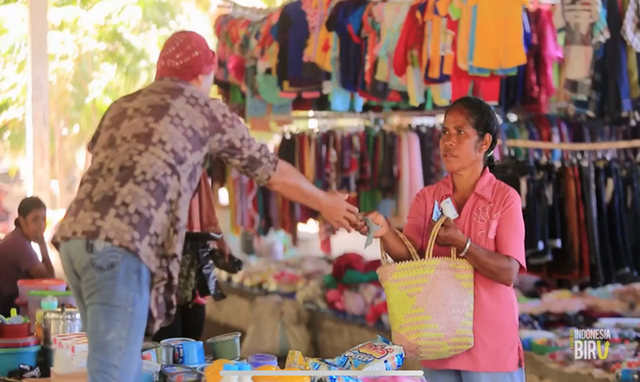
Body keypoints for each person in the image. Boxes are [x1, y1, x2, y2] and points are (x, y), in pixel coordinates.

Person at [52, 31, 359, 382]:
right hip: (121, 249)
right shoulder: (203, 109)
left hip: (75, 240)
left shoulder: (123, 106)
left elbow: (99, 167)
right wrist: (324, 202)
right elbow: (270, 171)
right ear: (203, 74)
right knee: (113, 373)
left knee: (113, 363)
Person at [354, 97, 526, 382]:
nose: (448, 141)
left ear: (484, 143)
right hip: (437, 341)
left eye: (460, 132)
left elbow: (508, 272)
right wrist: (384, 232)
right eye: (445, 131)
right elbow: (411, 260)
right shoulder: (428, 197)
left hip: (490, 347)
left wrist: (463, 245)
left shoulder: (504, 199)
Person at [0, 196, 54, 316]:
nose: (41, 225)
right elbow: (49, 280)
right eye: (35, 220)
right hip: (9, 310)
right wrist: (42, 245)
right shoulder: (18, 244)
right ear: (23, 221)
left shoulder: (19, 239)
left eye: (43, 219)